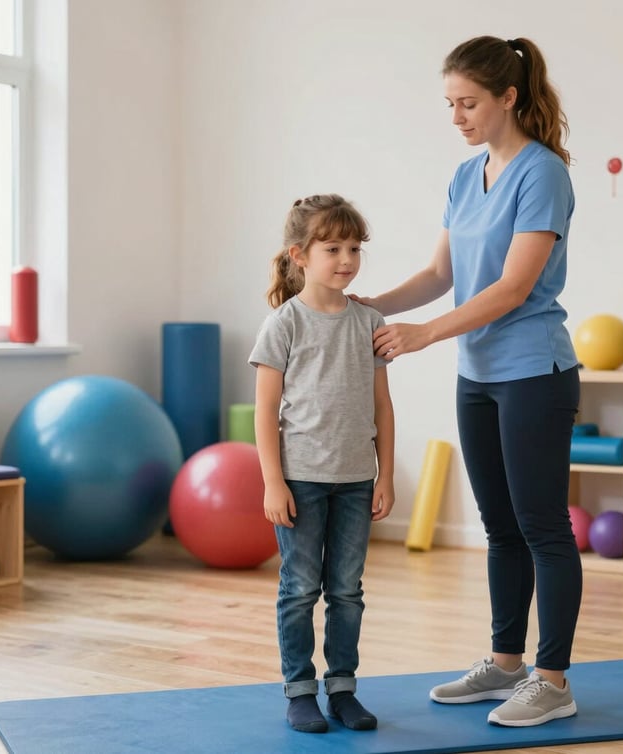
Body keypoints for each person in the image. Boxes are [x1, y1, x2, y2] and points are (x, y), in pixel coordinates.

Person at [354, 36, 581, 728]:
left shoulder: (543, 174)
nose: (456, 117)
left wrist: (424, 334)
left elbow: (512, 287)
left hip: (534, 371)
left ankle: (552, 681)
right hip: (478, 374)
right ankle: (506, 664)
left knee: (542, 527)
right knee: (499, 528)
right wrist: (371, 306)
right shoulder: (464, 176)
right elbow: (438, 274)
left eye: (469, 103)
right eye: (450, 104)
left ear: (508, 97)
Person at [248, 194, 395, 734]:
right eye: (332, 248)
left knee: (347, 591)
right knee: (300, 589)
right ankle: (300, 692)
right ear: (300, 255)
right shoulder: (283, 324)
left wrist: (385, 475)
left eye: (354, 248)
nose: (347, 259)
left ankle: (342, 689)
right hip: (301, 481)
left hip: (356, 481)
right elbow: (265, 411)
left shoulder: (369, 321)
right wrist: (273, 482)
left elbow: (383, 406)